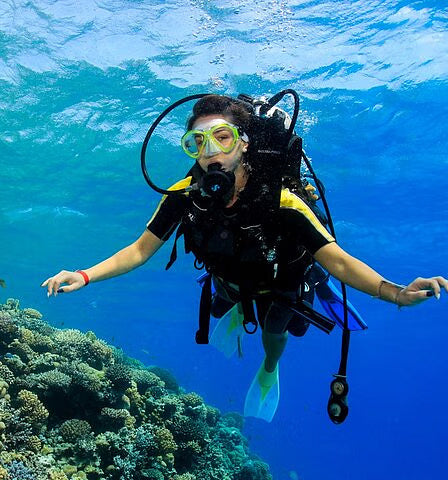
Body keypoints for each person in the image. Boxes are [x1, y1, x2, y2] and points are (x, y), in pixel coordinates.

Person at [41, 94, 447, 422]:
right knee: (224, 302)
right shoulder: (185, 194)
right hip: (227, 281)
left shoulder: (281, 200)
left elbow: (337, 261)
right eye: (197, 142)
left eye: (222, 137)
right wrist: (84, 274)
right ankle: (237, 309)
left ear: (244, 142)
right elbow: (139, 250)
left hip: (282, 284)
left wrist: (395, 293)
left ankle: (270, 368)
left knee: (273, 334)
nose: (210, 151)